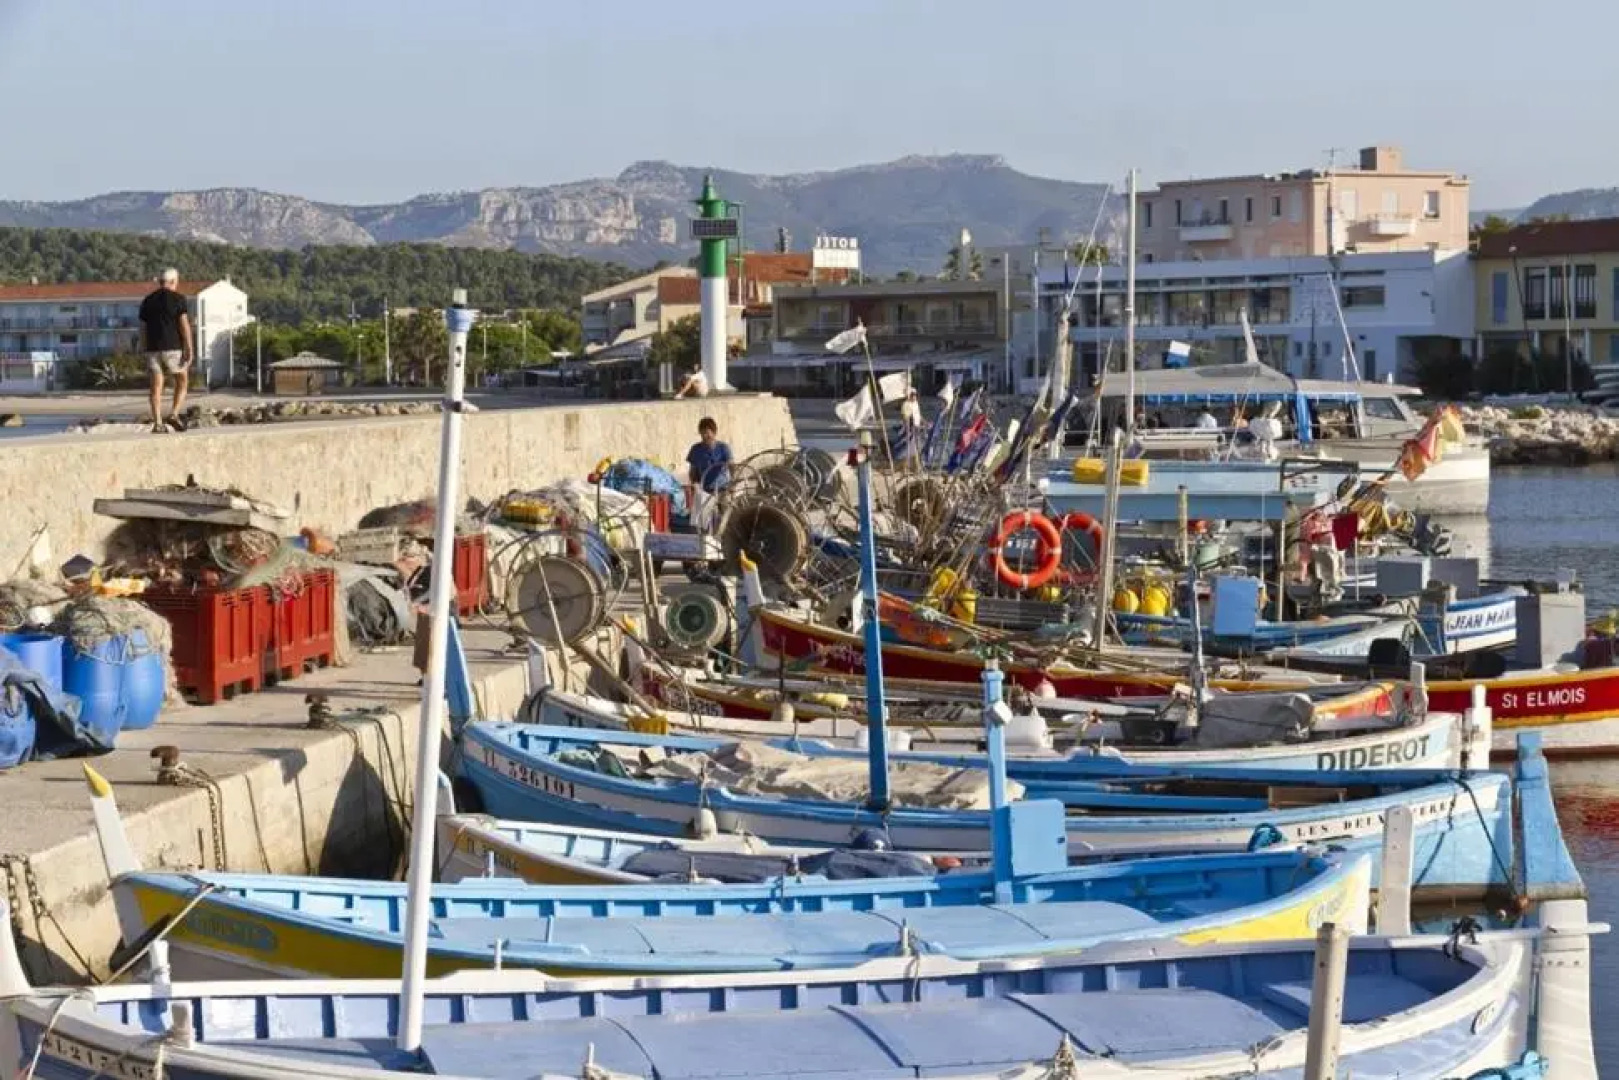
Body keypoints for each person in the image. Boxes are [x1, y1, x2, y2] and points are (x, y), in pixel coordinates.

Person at [139, 268, 194, 433]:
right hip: (173, 348)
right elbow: (184, 325)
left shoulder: (147, 301)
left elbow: (142, 328)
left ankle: (157, 423)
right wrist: (189, 347)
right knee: (182, 379)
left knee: (156, 385)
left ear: (160, 282)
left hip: (152, 348)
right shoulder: (178, 299)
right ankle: (174, 414)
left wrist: (143, 347)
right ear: (173, 282)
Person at [685, 417, 732, 530]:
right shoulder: (696, 450)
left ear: (714, 432)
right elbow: (693, 471)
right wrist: (695, 484)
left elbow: (732, 466)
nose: (705, 436)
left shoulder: (723, 448)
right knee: (710, 520)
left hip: (723, 489)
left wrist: (732, 485)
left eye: (707, 433)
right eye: (702, 433)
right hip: (706, 491)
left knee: (727, 518)